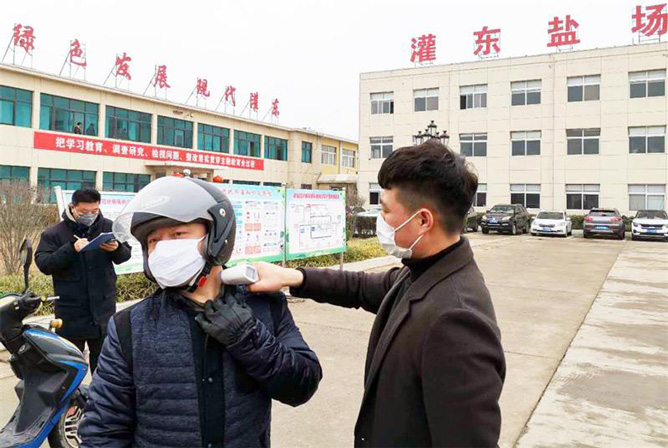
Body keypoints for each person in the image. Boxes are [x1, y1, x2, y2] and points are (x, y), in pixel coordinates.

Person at [250, 140, 506, 447]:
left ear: (423, 220)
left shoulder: (456, 320)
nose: (379, 219)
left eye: (385, 210)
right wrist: (292, 277)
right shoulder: (423, 272)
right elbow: (360, 287)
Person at [78, 177, 322, 447]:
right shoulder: (130, 326)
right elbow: (103, 429)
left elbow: (302, 386)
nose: (164, 247)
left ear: (216, 237)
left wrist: (249, 339)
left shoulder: (264, 305)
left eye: (178, 234)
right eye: (154, 240)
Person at [35, 188, 132, 373]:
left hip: (103, 311)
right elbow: (44, 264)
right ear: (73, 207)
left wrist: (117, 249)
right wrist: (71, 249)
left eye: (94, 211)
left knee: (105, 368)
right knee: (69, 368)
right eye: (84, 212)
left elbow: (125, 255)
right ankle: (72, 393)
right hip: (71, 313)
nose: (90, 216)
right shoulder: (54, 233)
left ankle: (100, 393)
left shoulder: (108, 227)